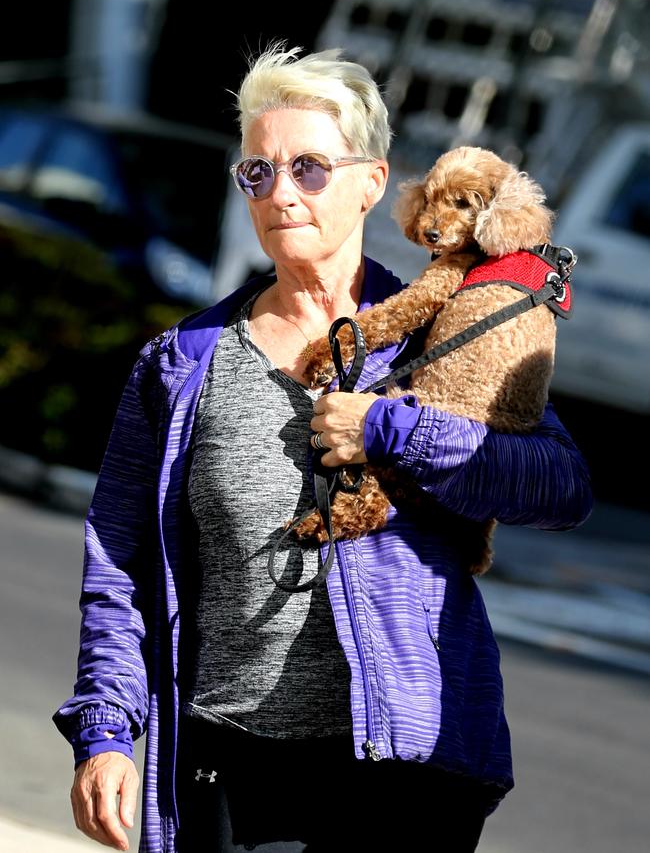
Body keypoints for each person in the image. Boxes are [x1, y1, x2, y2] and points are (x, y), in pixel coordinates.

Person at [53, 44, 593, 853]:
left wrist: (389, 428)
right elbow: (120, 557)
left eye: (309, 168)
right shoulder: (184, 362)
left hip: (406, 767)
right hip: (231, 763)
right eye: (257, 173)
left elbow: (558, 485)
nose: (281, 193)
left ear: (372, 182)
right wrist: (104, 727)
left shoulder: (460, 326)